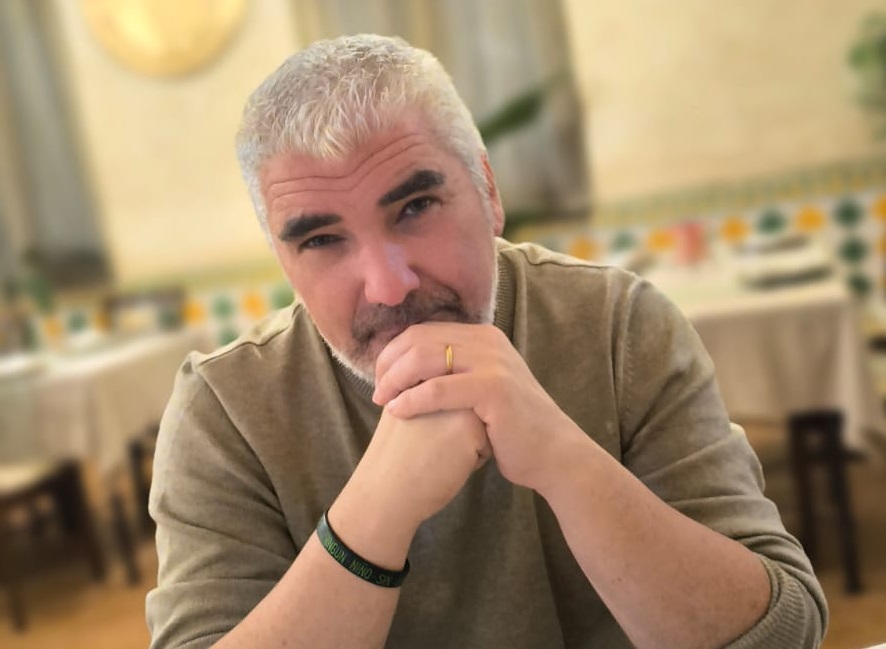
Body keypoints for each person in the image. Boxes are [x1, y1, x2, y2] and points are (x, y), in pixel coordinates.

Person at [146, 34, 827, 649]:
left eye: (415, 207)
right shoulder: (226, 409)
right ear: (283, 261)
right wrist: (377, 509)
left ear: (488, 192)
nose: (388, 286)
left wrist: (562, 458)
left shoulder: (618, 324)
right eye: (322, 240)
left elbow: (784, 632)